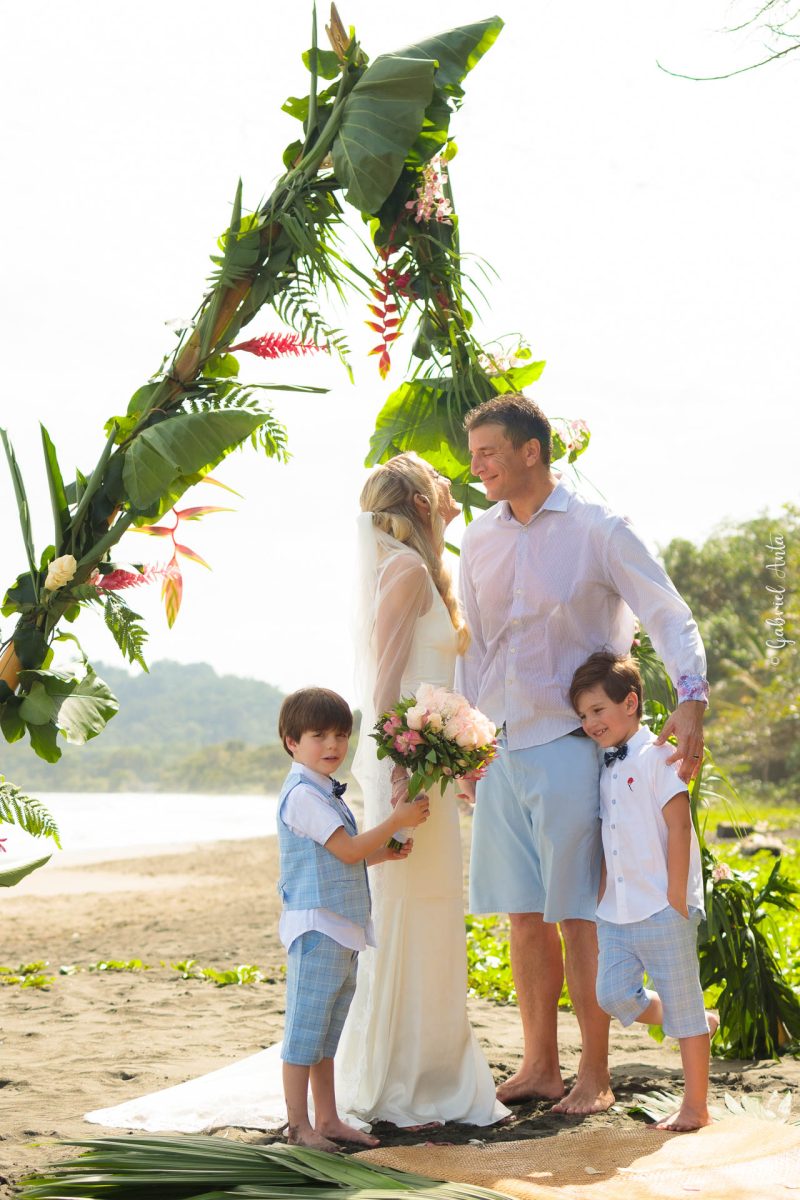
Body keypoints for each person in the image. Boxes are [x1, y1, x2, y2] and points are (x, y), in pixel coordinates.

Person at [455, 393, 708, 1115]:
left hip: (573, 743)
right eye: (473, 456)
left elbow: (666, 611)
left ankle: (593, 1074)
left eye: (488, 453)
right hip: (501, 750)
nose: (477, 468)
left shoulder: (601, 531)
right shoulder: (479, 538)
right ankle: (540, 1064)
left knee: (580, 914)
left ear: (530, 451)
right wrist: (465, 745)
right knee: (523, 914)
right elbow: (477, 644)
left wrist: (690, 697)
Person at [334, 452, 508, 1128]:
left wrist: (461, 754)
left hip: (427, 762)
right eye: (436, 478)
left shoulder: (425, 571)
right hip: (406, 766)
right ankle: (402, 1077)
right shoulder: (404, 570)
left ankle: (434, 1069)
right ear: (415, 499)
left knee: (433, 910)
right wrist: (397, 762)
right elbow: (382, 682)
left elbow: (429, 682)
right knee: (409, 910)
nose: (448, 482)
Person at [276, 686, 430, 1149]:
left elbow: (344, 856)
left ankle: (327, 1118)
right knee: (304, 1031)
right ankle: (299, 1127)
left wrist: (384, 851)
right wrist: (395, 820)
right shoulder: (302, 794)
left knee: (327, 1033)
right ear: (291, 742)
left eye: (341, 735)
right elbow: (344, 851)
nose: (333, 746)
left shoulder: (324, 792)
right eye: (319, 735)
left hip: (341, 927)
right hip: (317, 927)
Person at [569, 651, 716, 1132]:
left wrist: (677, 897)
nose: (590, 723)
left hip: (661, 907)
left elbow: (679, 827)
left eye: (597, 711)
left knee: (681, 1000)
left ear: (630, 702)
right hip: (616, 912)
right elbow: (612, 835)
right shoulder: (604, 766)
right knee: (611, 994)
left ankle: (696, 1106)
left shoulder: (658, 756)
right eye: (584, 716)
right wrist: (604, 895)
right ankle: (691, 1018)